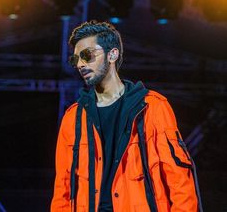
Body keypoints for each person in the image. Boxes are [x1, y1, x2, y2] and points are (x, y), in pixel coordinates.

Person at [51, 20, 202, 212]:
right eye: (75, 60)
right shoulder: (73, 118)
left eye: (87, 55)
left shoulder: (152, 107)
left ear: (112, 54)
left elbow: (179, 177)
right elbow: (63, 186)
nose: (80, 64)